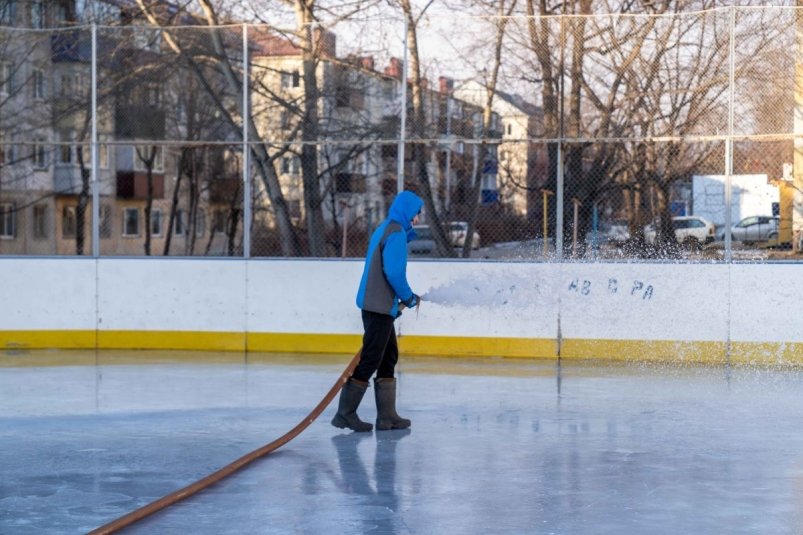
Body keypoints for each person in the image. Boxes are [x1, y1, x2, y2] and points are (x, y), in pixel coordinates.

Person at [331, 190, 423, 432]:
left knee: (388, 356)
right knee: (372, 357)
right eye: (416, 213)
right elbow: (393, 273)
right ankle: (345, 413)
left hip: (378, 305)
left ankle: (387, 417)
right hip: (378, 306)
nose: (417, 219)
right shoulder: (396, 233)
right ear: (407, 212)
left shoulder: (388, 227)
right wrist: (409, 297)